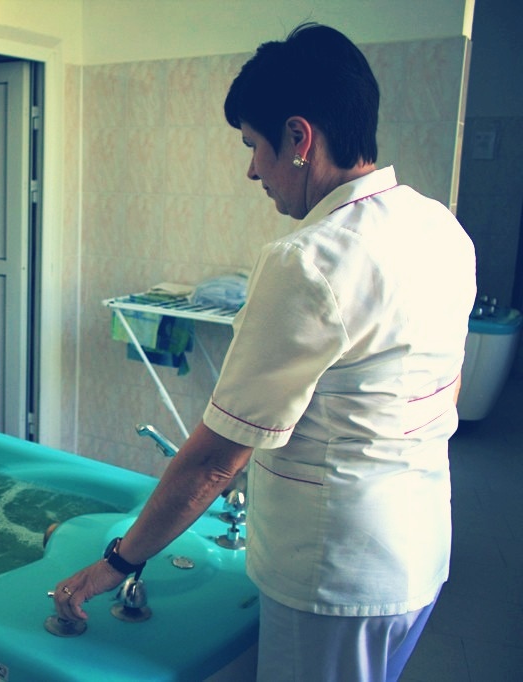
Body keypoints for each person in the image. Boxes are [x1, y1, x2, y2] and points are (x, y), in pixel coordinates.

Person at [52, 23, 476, 681]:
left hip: (334, 573)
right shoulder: (438, 225)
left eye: (254, 145)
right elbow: (444, 388)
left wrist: (119, 561)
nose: (252, 169)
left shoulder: (308, 260)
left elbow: (215, 461)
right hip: (419, 552)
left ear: (299, 139)